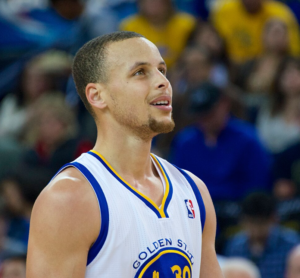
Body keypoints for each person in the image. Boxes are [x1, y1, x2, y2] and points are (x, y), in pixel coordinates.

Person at [26, 31, 223, 278]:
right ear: (97, 96)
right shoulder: (69, 199)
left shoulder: (195, 191)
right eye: (140, 72)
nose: (163, 81)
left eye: (162, 69)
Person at [225, 192, 300, 278]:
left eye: (260, 223)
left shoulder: (291, 244)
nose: (256, 230)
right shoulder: (235, 246)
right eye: (251, 223)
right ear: (242, 220)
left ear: (273, 219)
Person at [211, 0, 300, 64]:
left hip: (272, 65)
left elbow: (294, 52)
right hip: (230, 65)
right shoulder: (224, 11)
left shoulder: (280, 13)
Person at [120, 0, 196, 68]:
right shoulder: (129, 27)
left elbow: (194, 53)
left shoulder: (187, 24)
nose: (154, 4)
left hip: (181, 71)